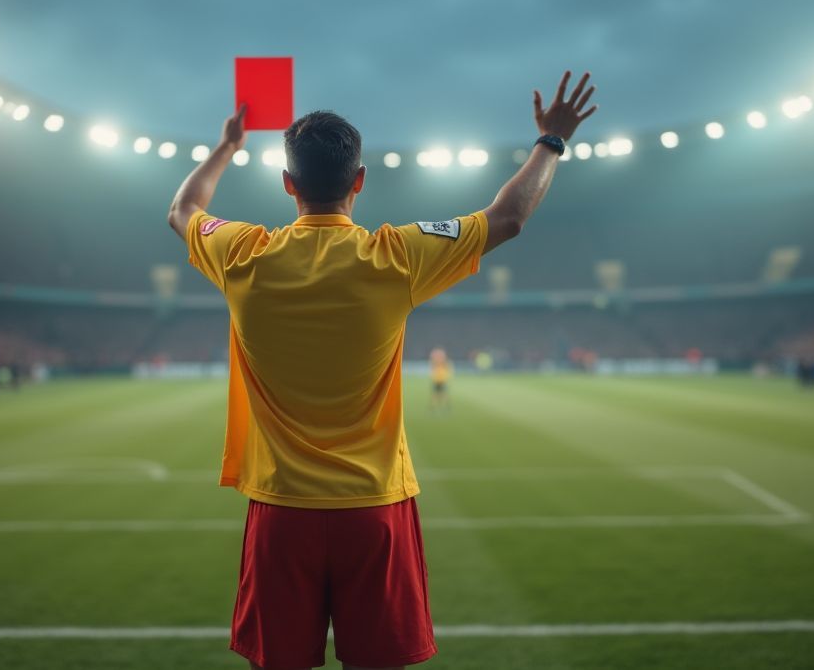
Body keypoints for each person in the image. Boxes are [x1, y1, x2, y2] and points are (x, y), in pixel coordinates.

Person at [168, 70, 597, 670]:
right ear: (360, 180)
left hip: (280, 510)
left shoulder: (242, 253)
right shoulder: (395, 256)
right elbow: (508, 217)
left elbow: (184, 209)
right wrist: (551, 141)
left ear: (288, 183)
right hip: (375, 509)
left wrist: (227, 146)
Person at [428, 347, 453, 412]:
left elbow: (449, 369)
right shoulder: (437, 362)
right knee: (437, 394)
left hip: (441, 379)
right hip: (437, 379)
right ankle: (436, 406)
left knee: (441, 394)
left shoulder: (444, 362)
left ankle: (444, 406)